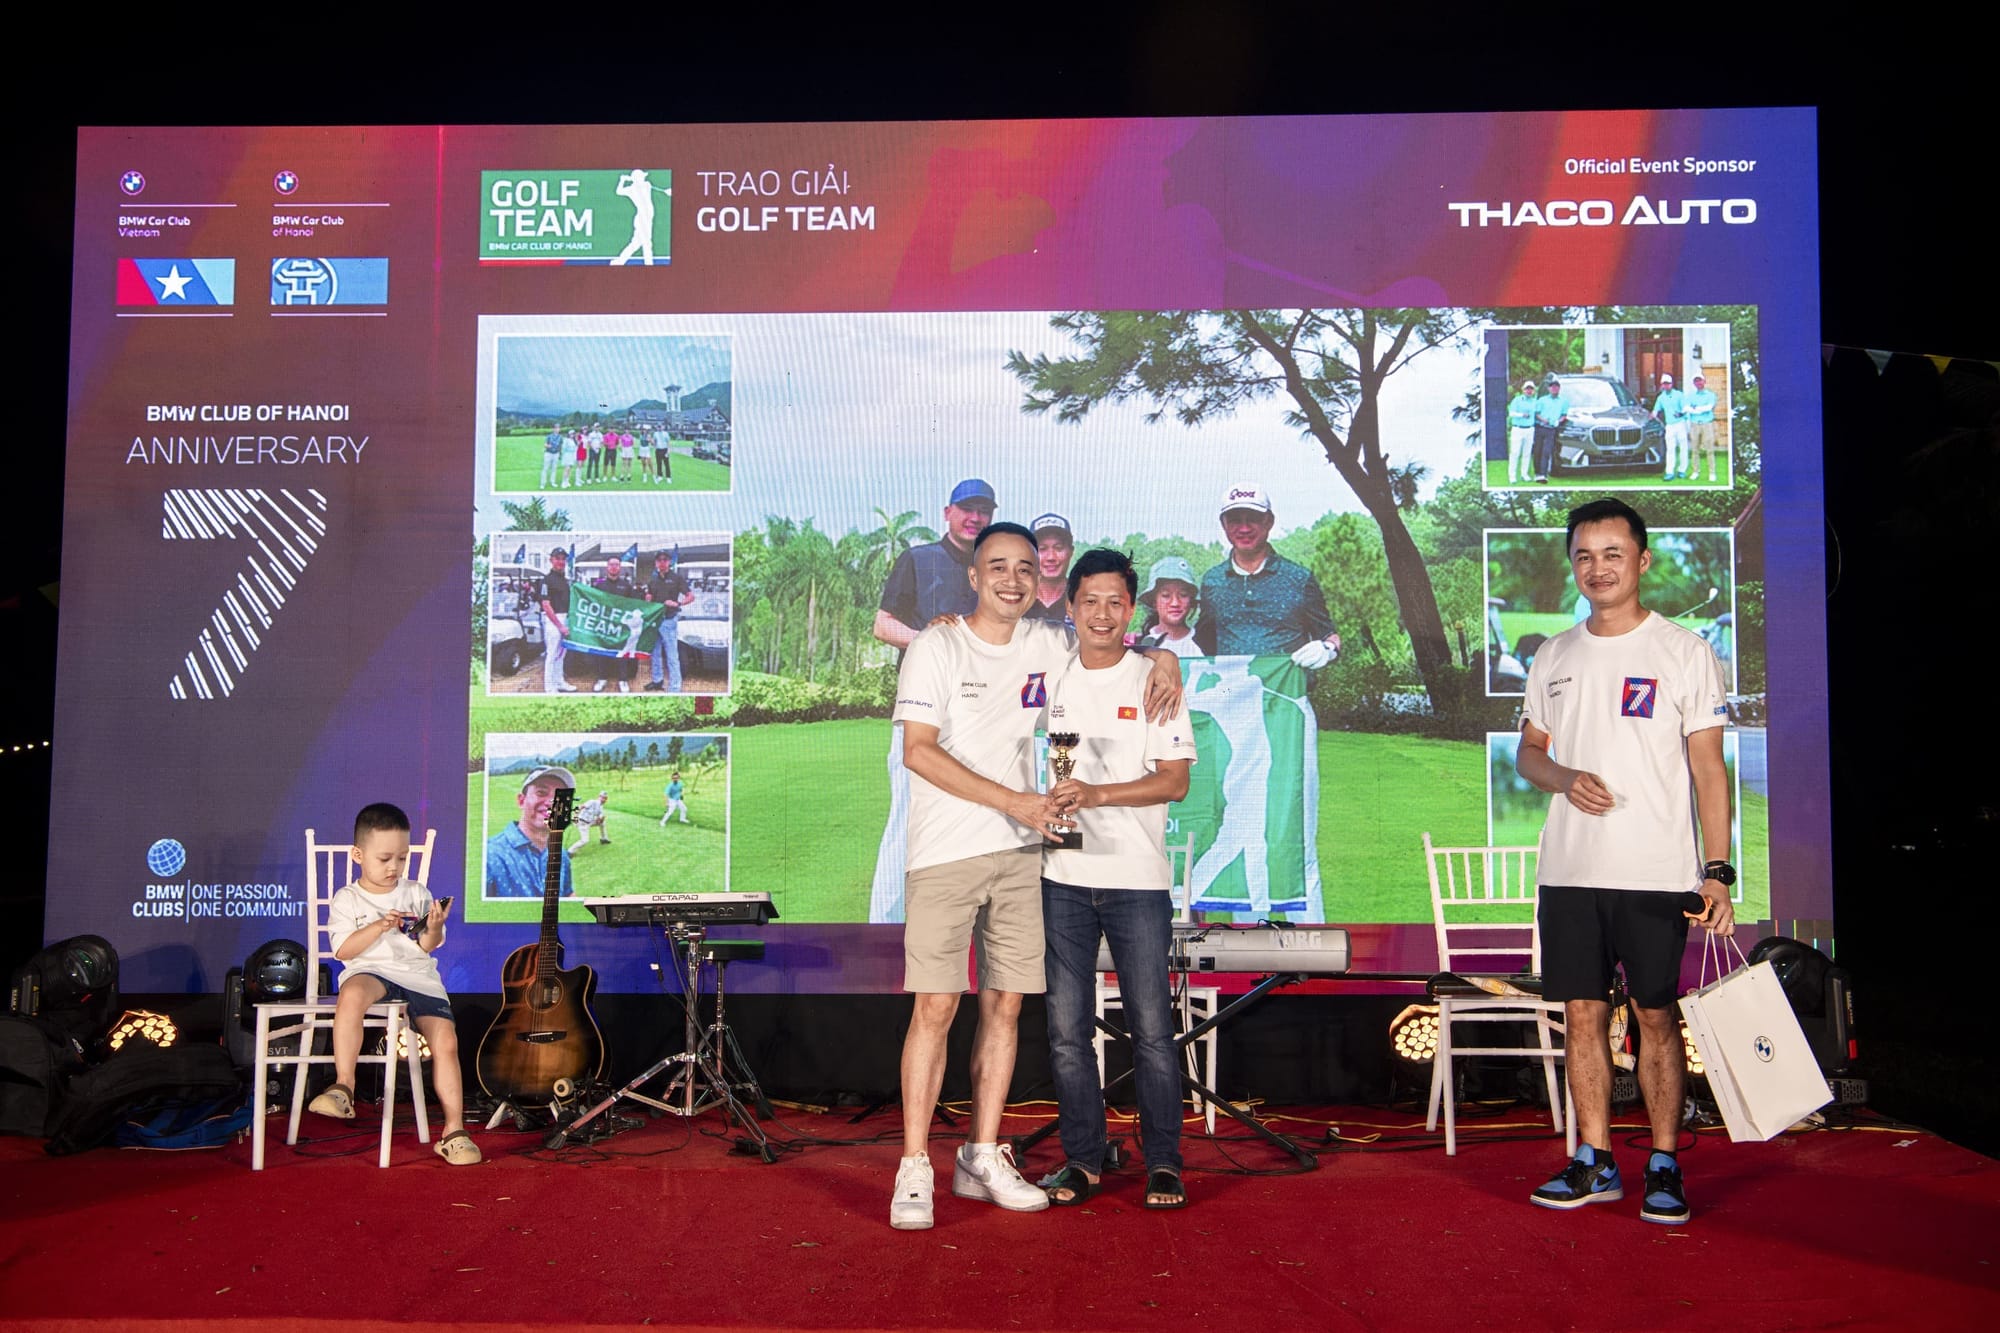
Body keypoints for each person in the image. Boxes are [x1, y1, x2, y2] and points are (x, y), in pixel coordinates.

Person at [887, 522, 1181, 1230]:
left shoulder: (1049, 643)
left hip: (1025, 857)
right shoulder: (936, 645)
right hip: (947, 851)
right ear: (973, 575)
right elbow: (918, 752)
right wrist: (1014, 801)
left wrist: (1166, 656)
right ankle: (915, 1164)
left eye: (1025, 567)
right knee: (936, 1006)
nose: (1013, 579)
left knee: (1007, 1008)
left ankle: (982, 1154)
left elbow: (1113, 641)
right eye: (998, 566)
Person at [1515, 498, 1735, 1226]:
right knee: (1582, 1015)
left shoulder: (1683, 651)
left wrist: (1717, 871)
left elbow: (1709, 770)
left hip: (1655, 874)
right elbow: (1529, 753)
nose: (1598, 567)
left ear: (1642, 560)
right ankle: (1595, 1159)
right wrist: (1562, 776)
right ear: (1572, 565)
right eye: (1584, 555)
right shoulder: (1553, 654)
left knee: (1654, 1014)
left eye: (1613, 553)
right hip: (1569, 873)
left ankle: (1665, 1162)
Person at [1036, 549, 1197, 1211]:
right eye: (1089, 601)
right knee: (1067, 1033)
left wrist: (1099, 794)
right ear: (1070, 606)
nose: (1101, 614)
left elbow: (1175, 781)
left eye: (1115, 602)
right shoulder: (1049, 675)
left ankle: (1164, 1163)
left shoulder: (1154, 679)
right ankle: (1083, 1159)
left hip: (1136, 881)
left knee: (1153, 1031)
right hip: (1062, 877)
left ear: (1132, 610)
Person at [1193, 484, 1338, 920]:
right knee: (1242, 821)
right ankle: (1249, 926)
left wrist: (1327, 649)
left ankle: (1308, 930)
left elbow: (1330, 633)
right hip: (1236, 720)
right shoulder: (1212, 582)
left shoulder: (1297, 578)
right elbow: (1205, 646)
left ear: (1268, 523)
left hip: (1287, 714)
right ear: (1224, 525)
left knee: (1294, 818)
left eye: (1252, 519)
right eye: (1235, 519)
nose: (1244, 527)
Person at [308, 802, 480, 1165]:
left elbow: (427, 945)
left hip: (417, 975)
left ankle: (454, 1131)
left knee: (446, 1040)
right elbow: (343, 950)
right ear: (358, 855)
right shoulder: (347, 898)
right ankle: (344, 1086)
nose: (394, 867)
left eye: (401, 858)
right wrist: (379, 926)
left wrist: (434, 927)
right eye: (385, 858)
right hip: (370, 971)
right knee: (352, 993)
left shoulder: (416, 891)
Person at [866, 478, 997, 924]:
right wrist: (933, 643)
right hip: (923, 712)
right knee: (908, 819)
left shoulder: (995, 569)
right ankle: (885, 926)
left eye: (983, 511)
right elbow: (883, 624)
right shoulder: (918, 560)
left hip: (978, 715)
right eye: (967, 509)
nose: (975, 518)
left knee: (973, 823)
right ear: (947, 513)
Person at [485, 766, 577, 899]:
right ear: (521, 801)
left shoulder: (560, 854)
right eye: (541, 793)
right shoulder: (490, 855)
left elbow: (568, 895)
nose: (552, 803)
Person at [644, 549, 694, 692]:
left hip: (669, 620)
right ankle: (657, 681)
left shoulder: (677, 578)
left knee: (672, 655)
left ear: (669, 562)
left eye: (664, 560)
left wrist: (678, 603)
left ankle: (675, 687)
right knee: (655, 653)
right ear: (656, 563)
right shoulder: (652, 580)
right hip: (655, 621)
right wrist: (648, 599)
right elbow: (650, 597)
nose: (662, 562)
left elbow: (691, 596)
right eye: (659, 560)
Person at [590, 555, 640, 693]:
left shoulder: (626, 586)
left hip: (620, 626)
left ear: (620, 567)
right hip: (604, 625)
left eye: (616, 565)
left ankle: (623, 680)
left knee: (622, 653)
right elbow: (593, 603)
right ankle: (602, 678)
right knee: (602, 652)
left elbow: (633, 605)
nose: (613, 567)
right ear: (607, 567)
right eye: (611, 564)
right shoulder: (599, 585)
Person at [1138, 556, 1201, 658]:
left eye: (1183, 595)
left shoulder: (1204, 644)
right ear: (1154, 601)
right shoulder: (1140, 646)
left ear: (1191, 600)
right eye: (1166, 595)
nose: (1175, 603)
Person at [1022, 513, 1075, 625]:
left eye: (1058, 548)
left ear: (1071, 552)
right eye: (1042, 548)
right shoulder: (1015, 599)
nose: (1051, 557)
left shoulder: (1082, 599)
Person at [538, 548, 578, 694]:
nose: (561, 562)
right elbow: (546, 605)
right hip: (553, 620)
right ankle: (549, 687)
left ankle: (559, 681)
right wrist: (560, 626)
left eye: (563, 559)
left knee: (561, 654)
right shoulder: (546, 580)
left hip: (565, 619)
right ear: (551, 560)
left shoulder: (565, 580)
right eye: (557, 558)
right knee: (552, 654)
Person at [1652, 373, 1689, 481]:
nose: (1666, 386)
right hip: (1669, 425)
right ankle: (1669, 472)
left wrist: (1681, 413)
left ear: (1672, 384)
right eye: (1664, 384)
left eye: (1668, 383)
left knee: (1683, 447)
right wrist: (1653, 415)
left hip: (1680, 423)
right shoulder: (1661, 397)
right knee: (1670, 448)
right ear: (1662, 385)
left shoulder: (1679, 395)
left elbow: (1685, 408)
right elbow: (1656, 409)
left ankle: (1682, 470)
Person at [1684, 374, 1722, 483]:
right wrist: (1698, 409)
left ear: (1704, 381)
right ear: (1694, 383)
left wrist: (1695, 408)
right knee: (1695, 449)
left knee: (1709, 449)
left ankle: (1712, 473)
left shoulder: (1710, 395)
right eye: (1696, 381)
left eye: (1700, 381)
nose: (1698, 383)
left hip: (1707, 424)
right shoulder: (1690, 396)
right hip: (1694, 424)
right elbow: (1687, 408)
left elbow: (1708, 408)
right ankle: (1695, 471)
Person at [1532, 377, 1570, 482]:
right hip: (1540, 427)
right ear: (1549, 389)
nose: (1554, 389)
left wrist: (1559, 421)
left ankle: (1543, 474)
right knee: (1537, 451)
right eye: (1552, 387)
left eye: (1556, 387)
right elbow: (1536, 413)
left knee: (1546, 451)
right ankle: (1537, 472)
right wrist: (1543, 420)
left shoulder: (1563, 401)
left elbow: (1564, 415)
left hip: (1552, 429)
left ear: (1559, 389)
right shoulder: (1542, 400)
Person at [1505, 377, 1540, 485]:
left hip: (1530, 429)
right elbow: (1511, 413)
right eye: (1527, 389)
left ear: (1533, 390)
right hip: (1518, 429)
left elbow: (1538, 414)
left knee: (1527, 453)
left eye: (1531, 389)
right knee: (1515, 452)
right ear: (1523, 390)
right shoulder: (1517, 400)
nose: (1529, 391)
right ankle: (1512, 476)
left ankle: (1524, 474)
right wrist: (1521, 415)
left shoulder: (1535, 402)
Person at [540, 426, 566, 490]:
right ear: (554, 429)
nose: (558, 429)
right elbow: (545, 444)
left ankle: (553, 482)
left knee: (554, 469)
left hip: (556, 454)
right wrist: (548, 446)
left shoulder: (560, 437)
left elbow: (561, 446)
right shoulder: (549, 436)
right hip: (548, 453)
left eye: (558, 428)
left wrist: (560, 454)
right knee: (545, 468)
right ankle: (543, 483)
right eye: (556, 428)